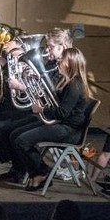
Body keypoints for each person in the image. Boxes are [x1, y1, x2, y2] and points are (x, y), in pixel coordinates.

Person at [11, 47, 92, 191]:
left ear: (71, 64)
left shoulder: (75, 85)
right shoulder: (66, 81)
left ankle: (40, 173)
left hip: (69, 131)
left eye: (62, 60)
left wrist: (42, 109)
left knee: (22, 141)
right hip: (61, 125)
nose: (59, 62)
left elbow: (62, 113)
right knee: (15, 135)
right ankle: (39, 171)